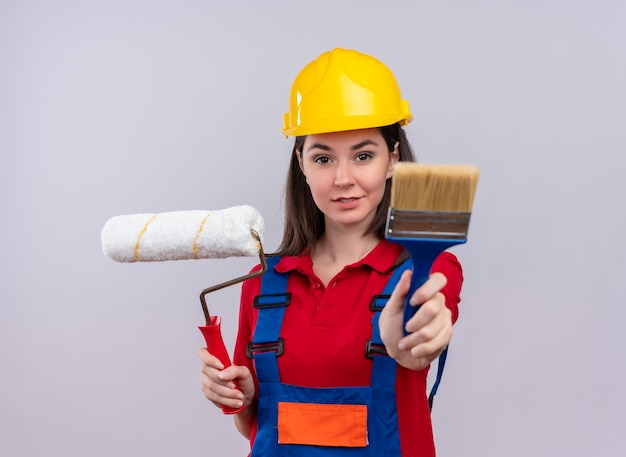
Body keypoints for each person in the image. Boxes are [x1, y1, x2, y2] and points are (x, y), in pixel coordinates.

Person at [198, 48, 464, 456]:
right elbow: (254, 425)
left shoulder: (427, 267)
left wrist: (415, 336)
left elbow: (423, 335)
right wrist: (243, 397)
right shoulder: (263, 280)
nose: (343, 179)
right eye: (323, 158)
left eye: (363, 155)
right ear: (301, 164)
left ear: (392, 159)